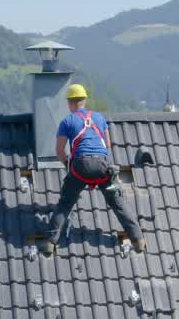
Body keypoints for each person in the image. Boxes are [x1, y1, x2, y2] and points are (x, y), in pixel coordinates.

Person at [41, 84, 144, 255]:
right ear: (84, 100)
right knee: (118, 203)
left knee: (65, 203)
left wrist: (68, 165)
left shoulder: (67, 121)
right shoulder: (100, 118)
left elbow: (59, 151)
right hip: (103, 167)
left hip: (80, 167)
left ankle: (50, 243)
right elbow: (108, 146)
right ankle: (138, 240)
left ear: (70, 103)